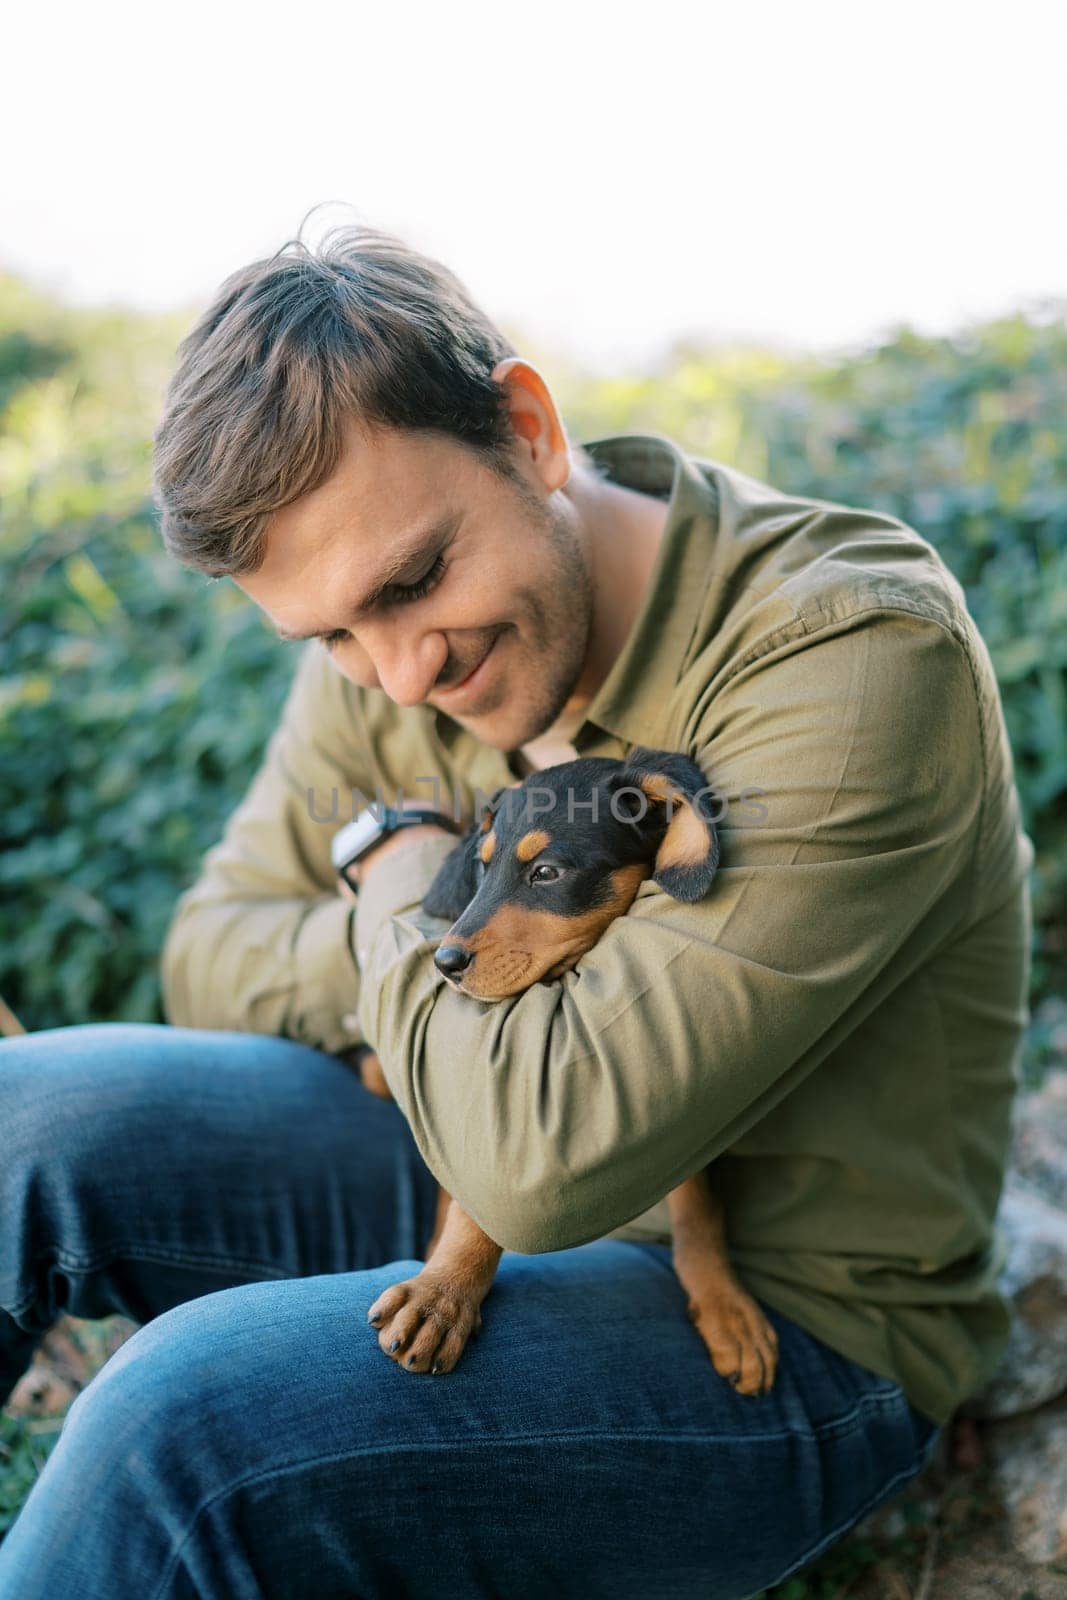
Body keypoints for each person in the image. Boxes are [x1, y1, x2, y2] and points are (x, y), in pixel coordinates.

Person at [0, 222, 1033, 1599]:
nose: (398, 672)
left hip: (802, 1325)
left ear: (531, 430)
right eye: (328, 637)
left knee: (176, 1426)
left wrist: (390, 872)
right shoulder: (384, 650)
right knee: (23, 1123)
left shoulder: (847, 658)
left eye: (414, 582)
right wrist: (447, 915)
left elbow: (545, 1162)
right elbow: (213, 951)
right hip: (449, 1166)